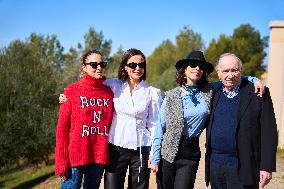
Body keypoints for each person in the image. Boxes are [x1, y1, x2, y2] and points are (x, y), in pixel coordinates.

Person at [148, 51, 265, 189]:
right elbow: (160, 128)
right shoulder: (171, 96)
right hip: (168, 151)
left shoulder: (209, 90)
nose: (197, 68)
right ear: (184, 69)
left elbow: (231, 77)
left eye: (201, 66)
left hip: (190, 152)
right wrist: (155, 158)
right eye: (193, 64)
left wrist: (254, 79)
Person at [60, 48, 161, 189]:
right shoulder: (114, 85)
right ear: (125, 68)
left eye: (141, 65)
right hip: (115, 149)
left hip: (140, 149)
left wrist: (155, 154)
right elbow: (91, 85)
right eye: (133, 65)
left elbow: (154, 125)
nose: (137, 68)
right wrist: (66, 96)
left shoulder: (152, 92)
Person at [205, 53, 277, 189]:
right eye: (225, 71)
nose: (230, 75)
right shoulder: (213, 92)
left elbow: (269, 132)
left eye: (234, 70)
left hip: (245, 166)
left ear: (241, 71)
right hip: (215, 165)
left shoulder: (259, 93)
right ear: (218, 74)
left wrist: (266, 167)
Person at [55, 50, 114, 189]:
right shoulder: (71, 91)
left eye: (102, 64)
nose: (99, 67)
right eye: (94, 64)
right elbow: (62, 129)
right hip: (73, 160)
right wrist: (61, 163)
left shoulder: (109, 93)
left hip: (98, 158)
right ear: (84, 67)